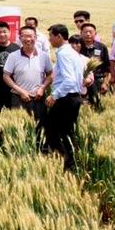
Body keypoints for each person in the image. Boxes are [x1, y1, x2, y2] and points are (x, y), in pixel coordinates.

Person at [44, 24, 88, 172]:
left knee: (54, 131)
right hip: (73, 97)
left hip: (66, 98)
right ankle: (72, 161)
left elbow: (69, 80)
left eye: (51, 36)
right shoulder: (73, 53)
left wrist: (54, 95)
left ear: (59, 36)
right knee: (67, 131)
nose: (49, 39)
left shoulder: (64, 54)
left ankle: (67, 162)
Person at [3, 25, 53, 123]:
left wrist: (42, 88)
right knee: (18, 126)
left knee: (39, 126)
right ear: (20, 38)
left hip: (38, 97)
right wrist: (21, 91)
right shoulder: (13, 56)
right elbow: (6, 76)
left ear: (35, 37)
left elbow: (50, 75)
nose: (28, 39)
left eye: (30, 36)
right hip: (19, 98)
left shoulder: (43, 56)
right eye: (24, 36)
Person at [77, 23, 110, 108]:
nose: (88, 34)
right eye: (85, 32)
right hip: (80, 82)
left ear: (95, 33)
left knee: (96, 105)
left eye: (90, 32)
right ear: (81, 33)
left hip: (97, 81)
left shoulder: (101, 47)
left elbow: (106, 67)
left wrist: (105, 83)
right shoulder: (77, 47)